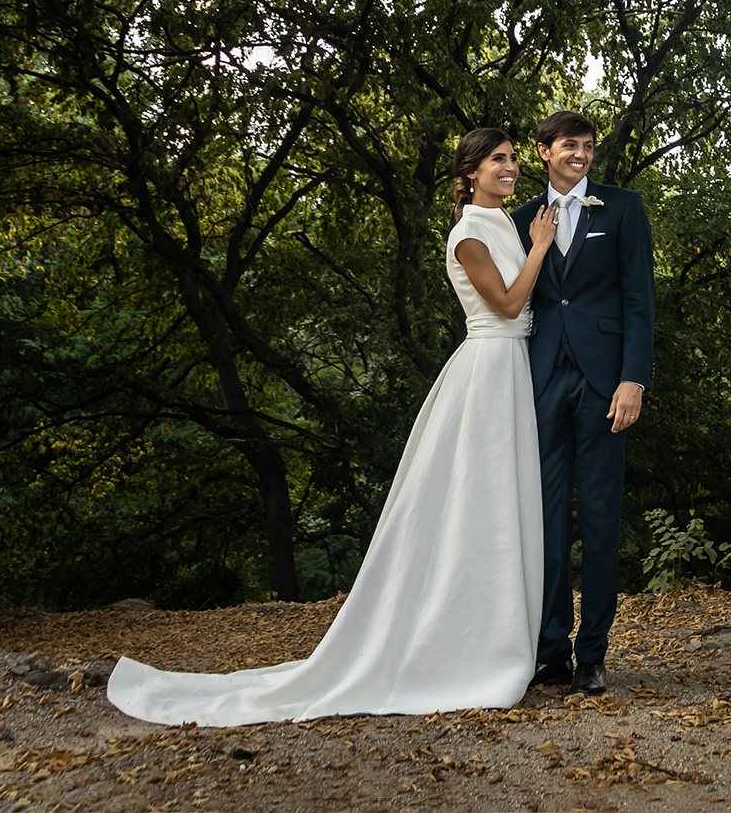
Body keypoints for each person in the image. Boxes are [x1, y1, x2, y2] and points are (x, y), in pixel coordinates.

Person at [106, 129, 558, 726]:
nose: (510, 167)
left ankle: (498, 636)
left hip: (514, 371)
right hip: (488, 369)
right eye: (497, 159)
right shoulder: (469, 233)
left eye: (512, 158)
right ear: (469, 172)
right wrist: (541, 248)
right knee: (477, 501)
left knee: (501, 505)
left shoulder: (505, 223)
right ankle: (463, 650)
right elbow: (505, 305)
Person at [510, 110, 654, 697]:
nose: (581, 155)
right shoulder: (518, 220)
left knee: (598, 518)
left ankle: (592, 653)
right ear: (543, 150)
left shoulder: (622, 208)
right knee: (542, 523)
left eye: (588, 147)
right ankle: (550, 654)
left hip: (603, 385)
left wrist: (633, 380)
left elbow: (639, 300)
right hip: (539, 380)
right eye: (570, 146)